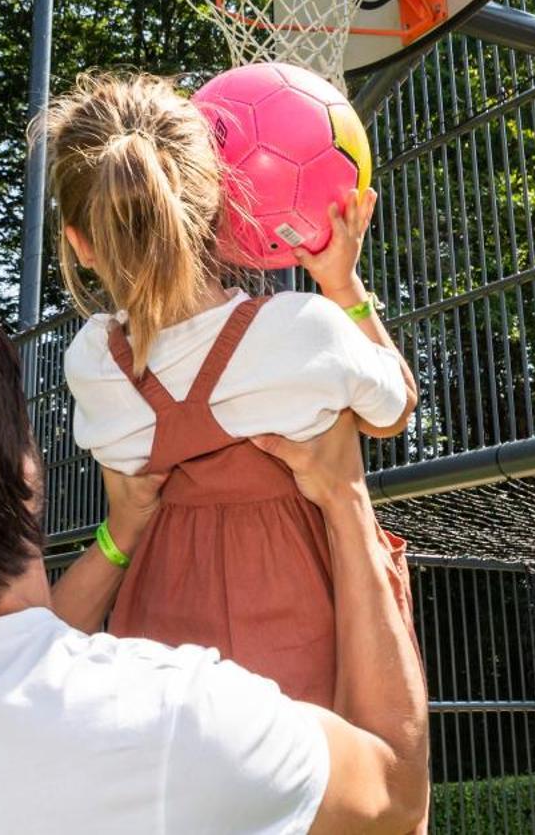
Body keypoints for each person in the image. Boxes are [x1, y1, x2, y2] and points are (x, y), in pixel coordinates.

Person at [0, 283, 430, 834]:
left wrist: (119, 534)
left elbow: (13, 653)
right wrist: (345, 500)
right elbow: (394, 793)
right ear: (26, 474)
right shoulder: (174, 721)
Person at [43, 71, 419, 709]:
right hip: (309, 637)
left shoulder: (94, 364)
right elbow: (396, 410)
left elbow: (127, 491)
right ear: (218, 211)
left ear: (80, 245)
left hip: (161, 654)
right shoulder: (302, 332)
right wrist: (342, 286)